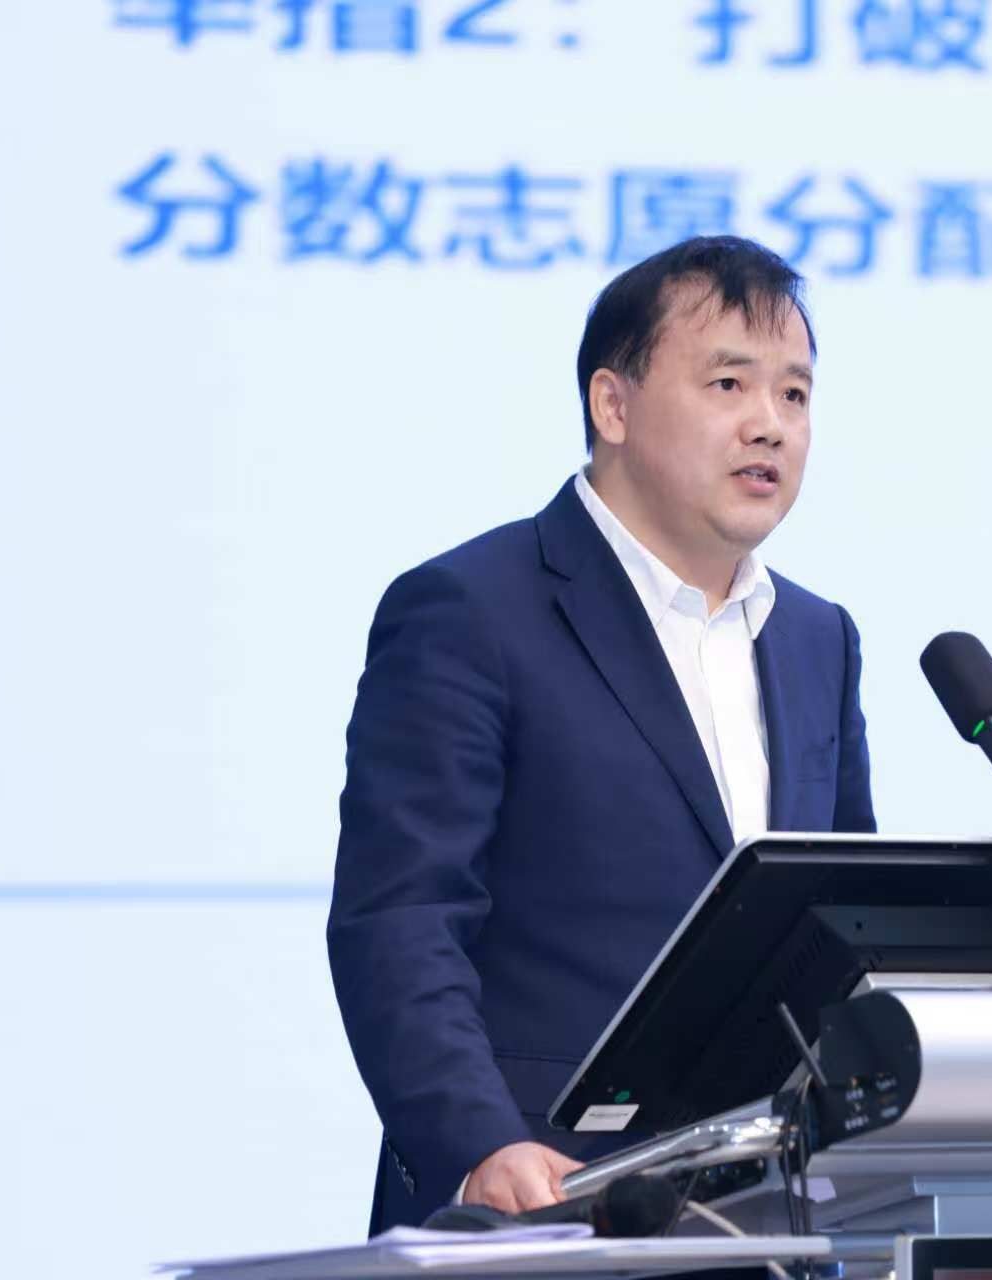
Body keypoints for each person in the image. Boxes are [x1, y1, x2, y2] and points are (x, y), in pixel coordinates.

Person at [328, 235, 876, 1234]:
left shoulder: (816, 637)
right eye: (728, 383)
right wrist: (477, 1143)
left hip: (766, 1215)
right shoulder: (470, 610)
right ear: (611, 406)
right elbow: (402, 918)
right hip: (538, 1201)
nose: (770, 422)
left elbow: (841, 929)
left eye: (795, 394)